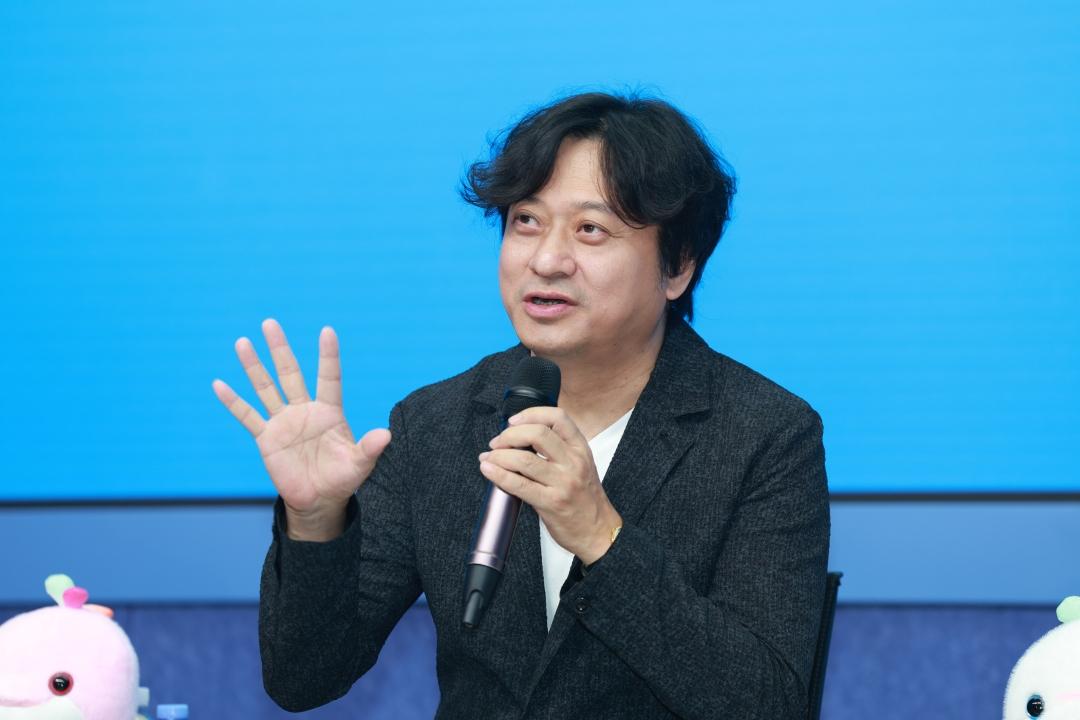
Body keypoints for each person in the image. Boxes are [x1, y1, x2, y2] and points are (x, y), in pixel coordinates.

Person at [212, 92, 830, 719]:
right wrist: (318, 522)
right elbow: (304, 677)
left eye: (590, 230)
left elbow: (770, 703)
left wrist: (601, 536)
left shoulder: (764, 435)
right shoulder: (436, 424)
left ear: (677, 268)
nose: (546, 259)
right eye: (525, 222)